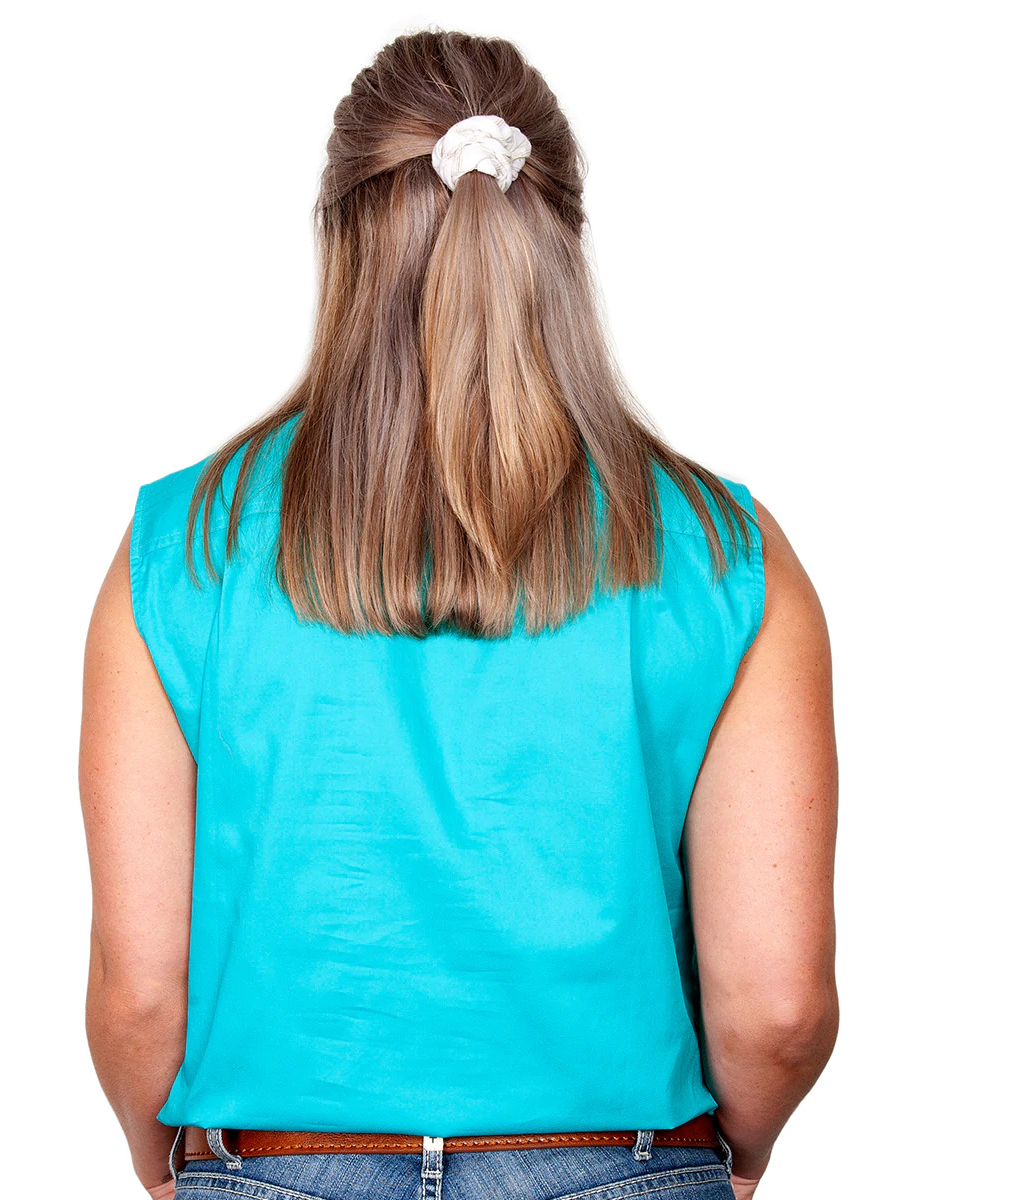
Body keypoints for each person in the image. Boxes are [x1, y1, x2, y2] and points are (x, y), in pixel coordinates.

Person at [79, 29, 838, 1200]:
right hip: (626, 1163)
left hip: (276, 1166)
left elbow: (140, 996)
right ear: (564, 232)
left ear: (340, 235)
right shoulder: (729, 553)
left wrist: (163, 1167)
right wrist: (730, 1163)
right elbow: (777, 1010)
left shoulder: (185, 545)